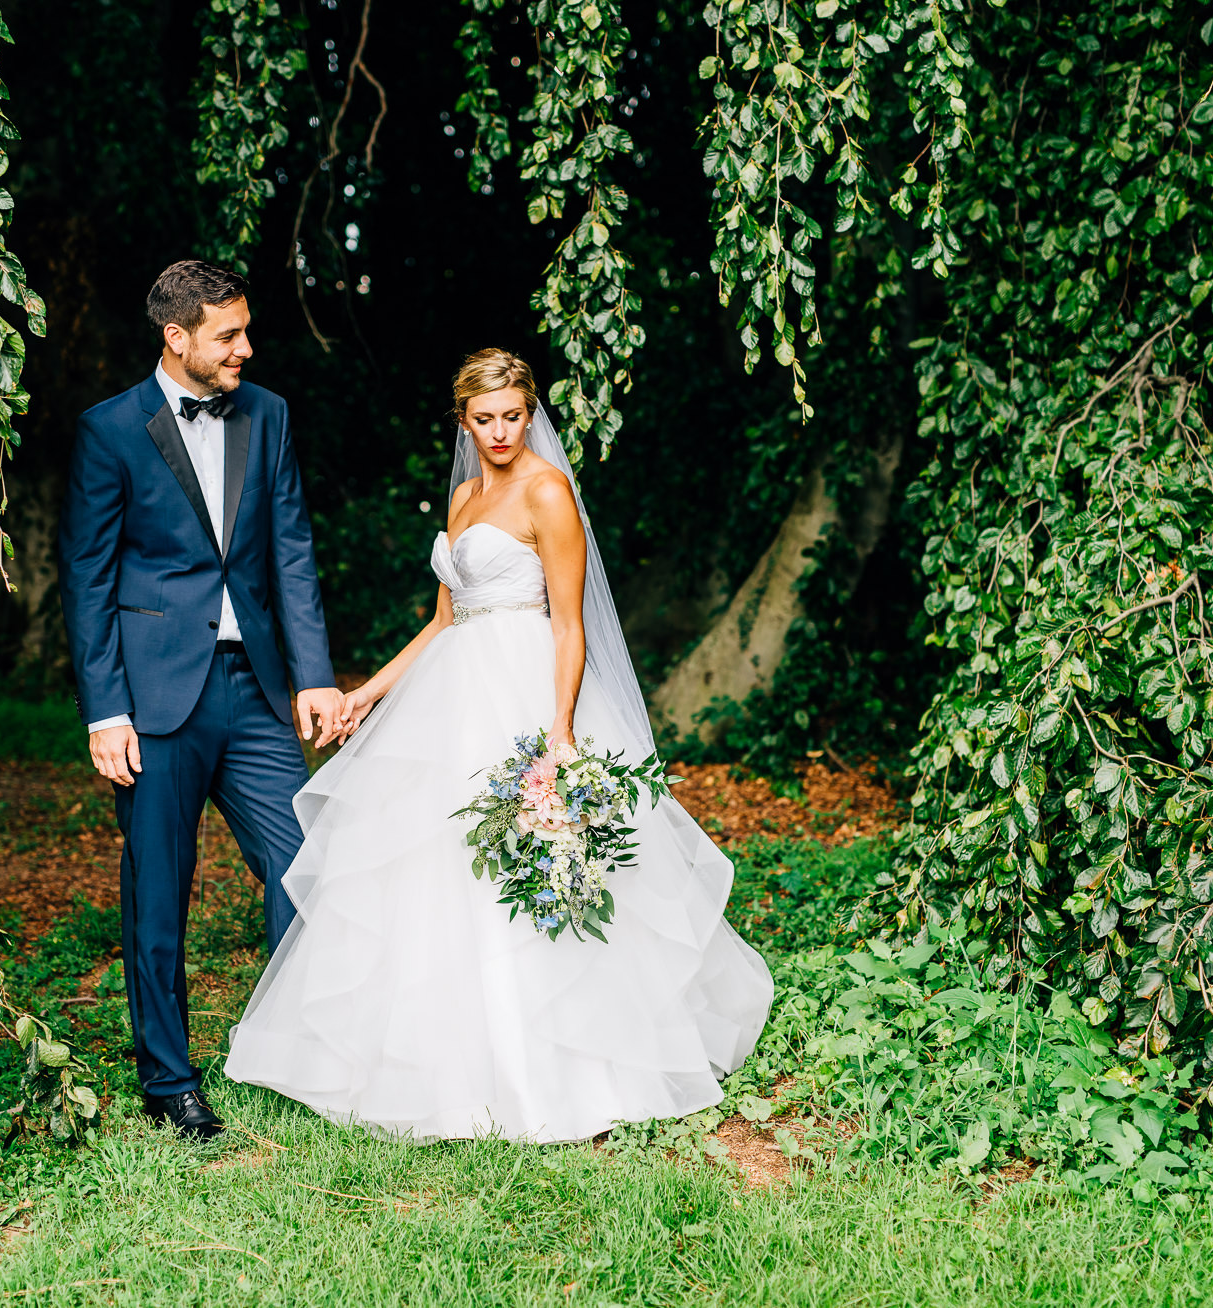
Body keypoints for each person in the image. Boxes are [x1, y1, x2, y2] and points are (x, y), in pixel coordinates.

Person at [223, 348, 772, 1142]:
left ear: (529, 411)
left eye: (514, 415)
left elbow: (572, 623)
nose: (502, 431)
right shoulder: (462, 496)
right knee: (436, 869)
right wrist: (366, 692)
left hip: (521, 691)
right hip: (449, 692)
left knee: (530, 862)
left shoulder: (548, 493)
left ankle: (565, 1065)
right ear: (463, 421)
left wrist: (560, 732)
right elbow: (446, 620)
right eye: (486, 419)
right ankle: (439, 1062)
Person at [58, 259, 345, 1141]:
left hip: (251, 687)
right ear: (177, 337)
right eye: (229, 335)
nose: (246, 349)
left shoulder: (270, 414)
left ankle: (300, 1047)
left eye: (246, 331)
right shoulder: (110, 431)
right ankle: (170, 1081)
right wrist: (106, 710)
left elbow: (290, 549)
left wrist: (317, 674)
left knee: (306, 863)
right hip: (152, 699)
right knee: (159, 892)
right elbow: (87, 576)